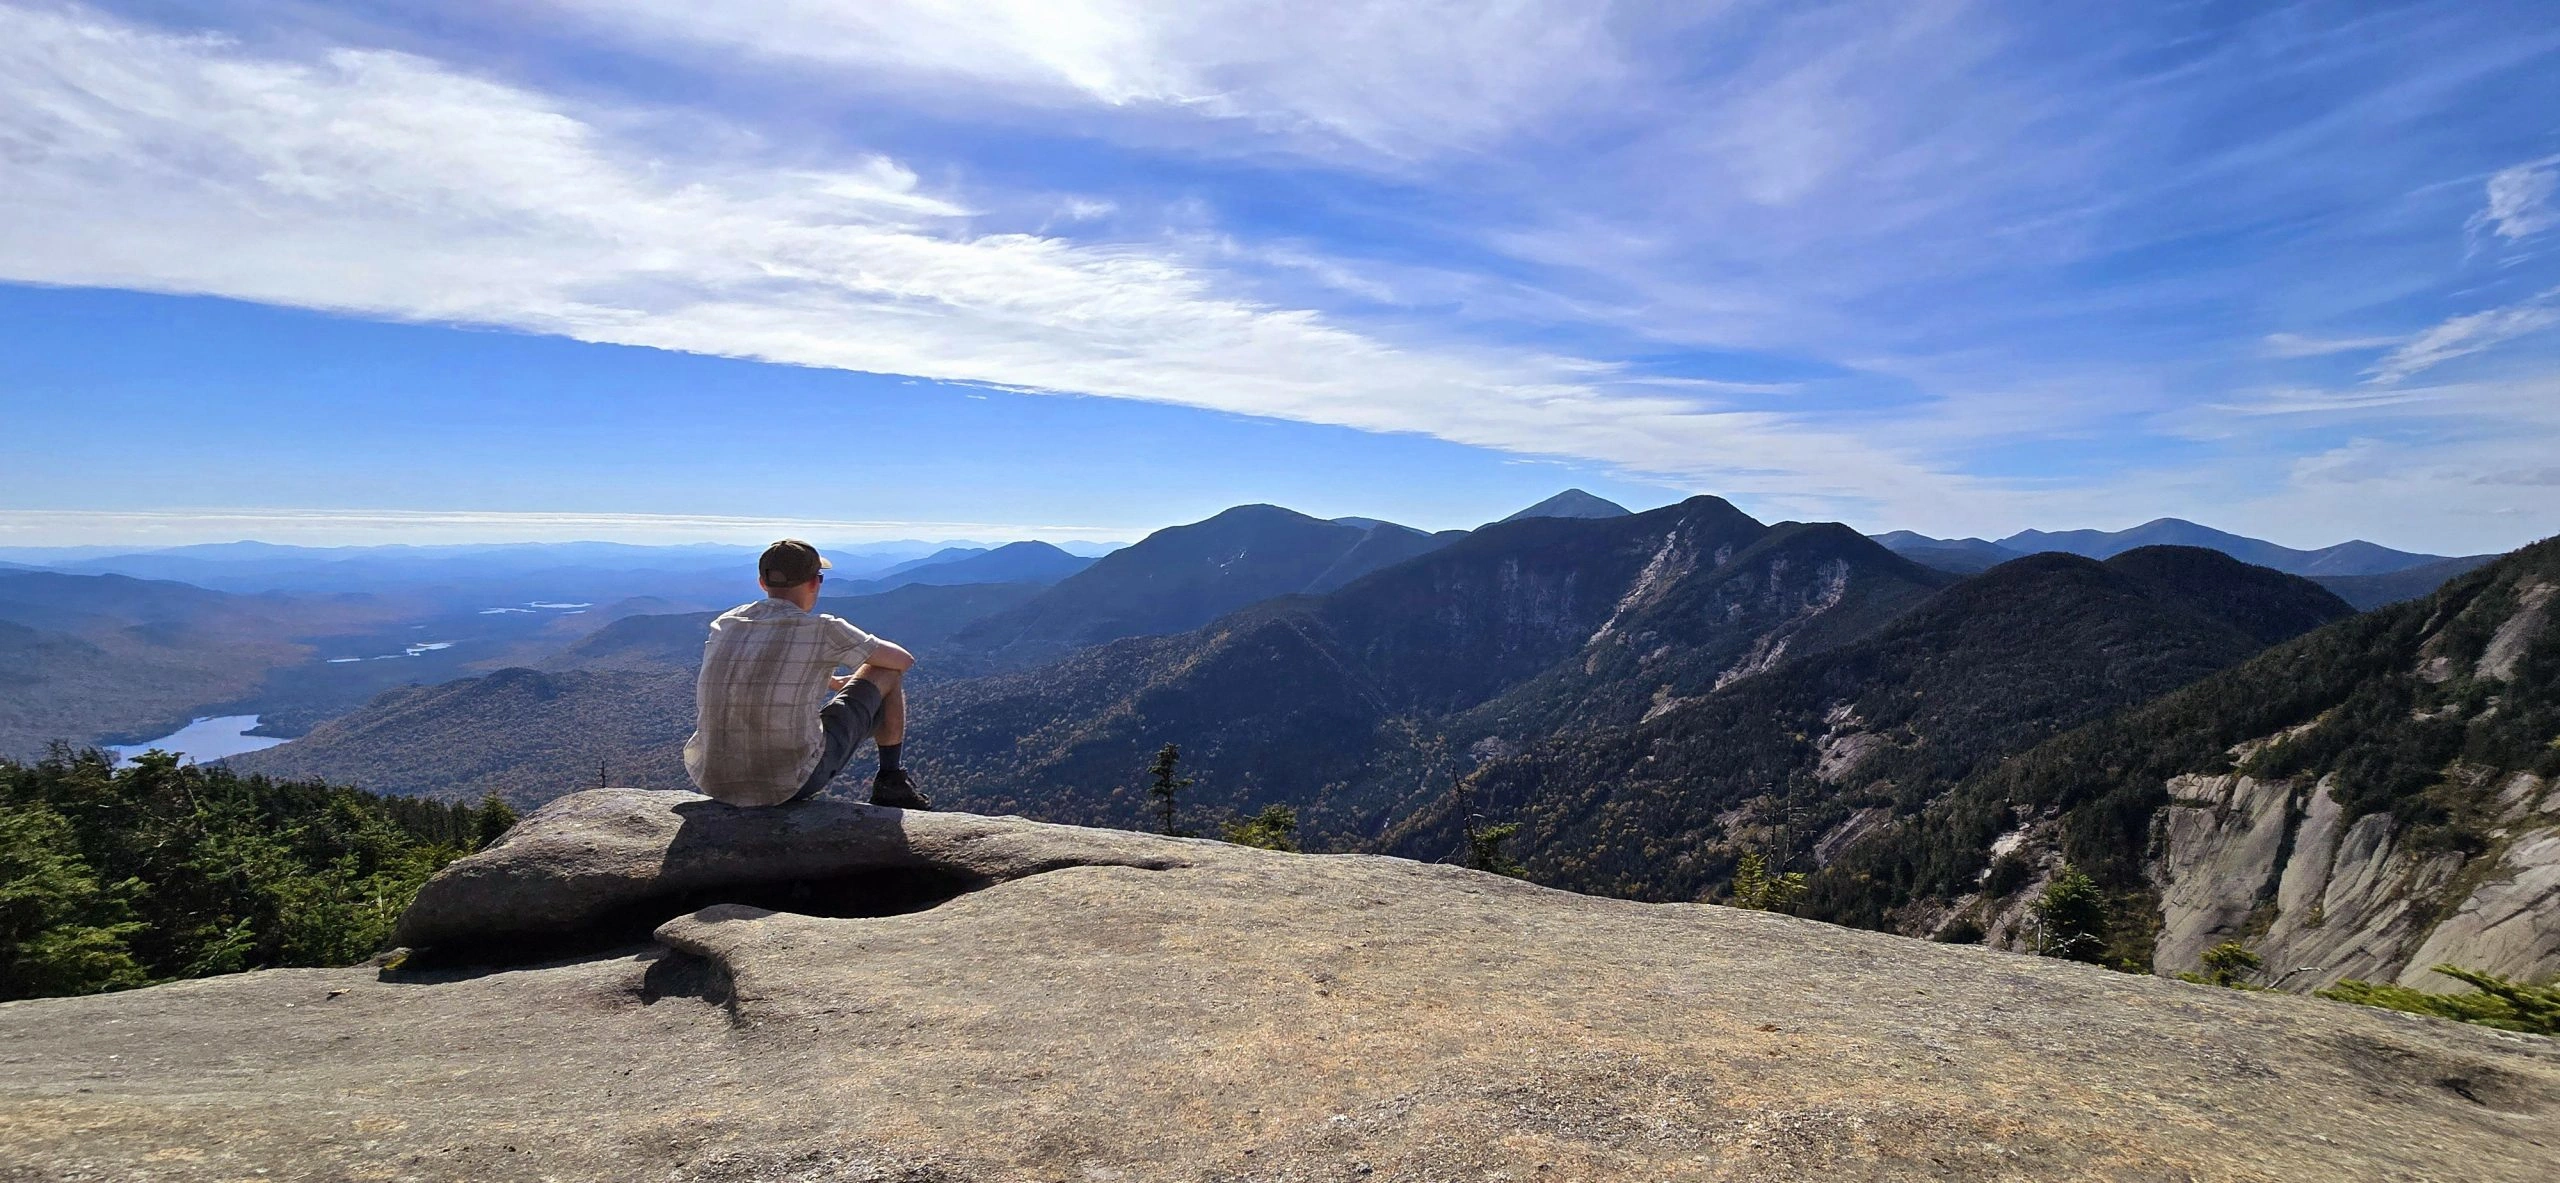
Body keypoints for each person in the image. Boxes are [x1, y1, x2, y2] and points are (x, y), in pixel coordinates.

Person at [681, 539, 931, 809]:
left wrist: (832, 681)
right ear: (815, 582)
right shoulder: (825, 629)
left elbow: (762, 668)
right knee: (886, 671)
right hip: (788, 781)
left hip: (713, 778)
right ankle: (891, 781)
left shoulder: (726, 623)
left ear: (762, 583)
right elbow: (903, 660)